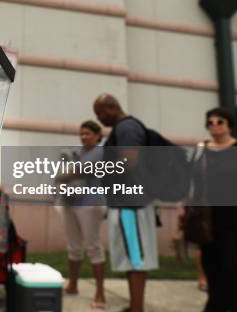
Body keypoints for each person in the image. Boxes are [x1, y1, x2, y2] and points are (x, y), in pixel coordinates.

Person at [93, 94, 158, 312]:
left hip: (132, 204)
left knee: (136, 258)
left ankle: (137, 308)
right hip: (126, 202)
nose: (99, 119)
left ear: (111, 108)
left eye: (100, 113)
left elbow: (128, 161)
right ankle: (134, 306)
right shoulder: (123, 128)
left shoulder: (127, 128)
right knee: (131, 257)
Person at [192, 108, 237, 312]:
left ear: (229, 124)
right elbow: (196, 183)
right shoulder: (202, 150)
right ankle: (216, 304)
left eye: (220, 121)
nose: (215, 125)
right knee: (213, 265)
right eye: (210, 122)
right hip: (209, 217)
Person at [55, 120, 106, 311]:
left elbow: (77, 171)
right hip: (69, 202)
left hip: (90, 204)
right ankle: (72, 285)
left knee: (93, 246)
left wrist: (61, 176)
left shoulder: (100, 152)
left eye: (88, 134)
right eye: (82, 133)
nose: (84, 136)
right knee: (73, 246)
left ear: (98, 135)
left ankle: (100, 293)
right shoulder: (76, 151)